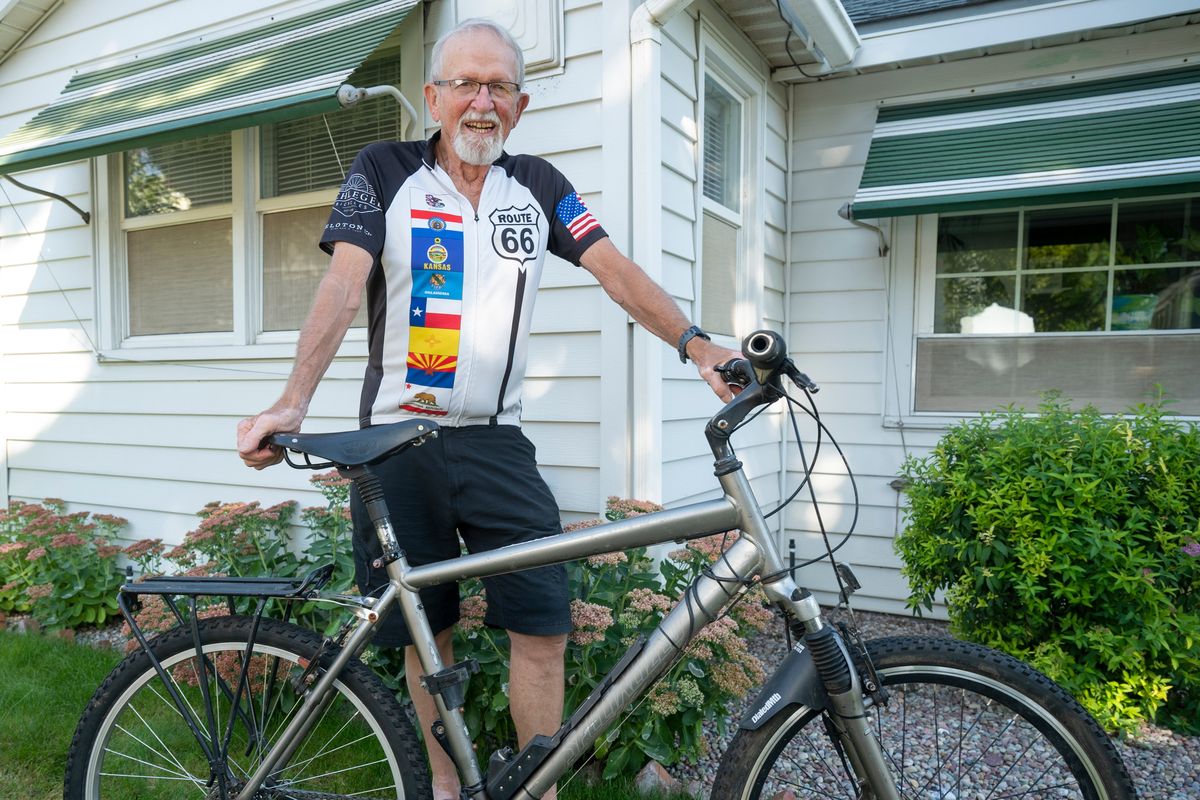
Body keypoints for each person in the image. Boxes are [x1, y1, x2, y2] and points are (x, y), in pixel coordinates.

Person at [237, 18, 737, 800]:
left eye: (499, 86)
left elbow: (615, 271)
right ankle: (444, 788)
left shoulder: (538, 186)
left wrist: (698, 345)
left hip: (498, 443)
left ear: (521, 103)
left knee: (542, 625)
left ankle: (531, 790)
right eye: (465, 84)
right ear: (433, 96)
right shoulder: (384, 170)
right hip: (397, 444)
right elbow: (342, 285)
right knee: (424, 631)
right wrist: (292, 402)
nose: (482, 102)